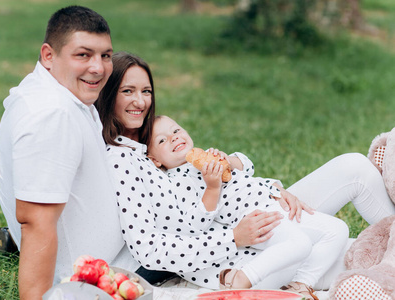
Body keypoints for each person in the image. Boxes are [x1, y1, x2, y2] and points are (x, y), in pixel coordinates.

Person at [96, 51, 395, 294]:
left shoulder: (152, 138)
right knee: (356, 252)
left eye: (146, 90)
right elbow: (153, 249)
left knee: (353, 167)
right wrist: (234, 237)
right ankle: (302, 283)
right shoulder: (124, 160)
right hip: (238, 256)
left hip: (254, 216)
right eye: (127, 91)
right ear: (110, 96)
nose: (140, 101)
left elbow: (237, 174)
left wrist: (273, 189)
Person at [0, 6, 136, 299]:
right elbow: (36, 222)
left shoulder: (59, 94)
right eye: (83, 55)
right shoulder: (51, 115)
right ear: (48, 55)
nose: (99, 68)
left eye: (106, 55)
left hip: (121, 250)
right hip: (100, 276)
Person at [146, 115, 349, 298]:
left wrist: (229, 160)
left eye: (176, 130)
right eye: (162, 140)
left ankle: (300, 286)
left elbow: (248, 165)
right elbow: (197, 222)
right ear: (155, 159)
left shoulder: (207, 156)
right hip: (255, 218)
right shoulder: (175, 183)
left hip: (272, 203)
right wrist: (212, 187)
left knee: (338, 229)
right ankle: (240, 279)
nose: (173, 137)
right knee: (300, 243)